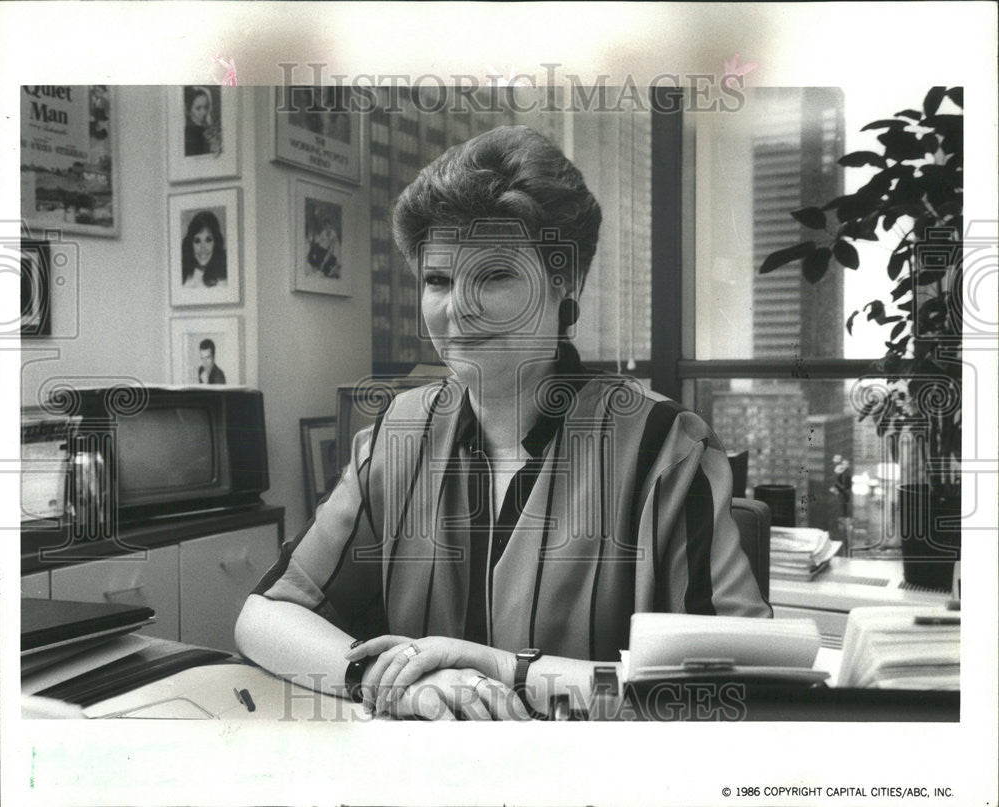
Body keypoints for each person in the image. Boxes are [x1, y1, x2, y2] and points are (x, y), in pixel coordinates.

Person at [235, 125, 771, 721]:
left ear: (564, 282)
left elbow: (739, 688)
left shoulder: (668, 450)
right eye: (438, 280)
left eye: (494, 276)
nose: (458, 308)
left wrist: (509, 669)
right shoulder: (396, 435)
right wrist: (382, 678)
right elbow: (266, 614)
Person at [180, 210, 227, 288]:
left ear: (216, 243)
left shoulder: (223, 281)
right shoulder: (183, 278)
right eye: (197, 241)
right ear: (190, 244)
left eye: (208, 240)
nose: (203, 248)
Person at [184, 86, 221, 157]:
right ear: (189, 109)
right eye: (198, 108)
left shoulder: (207, 128)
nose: (204, 112)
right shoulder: (188, 133)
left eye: (206, 107)